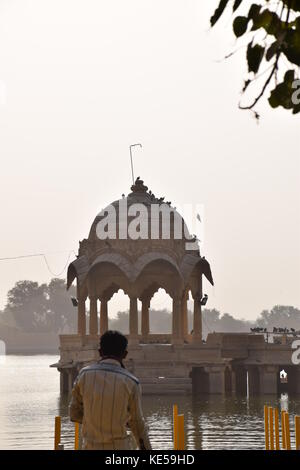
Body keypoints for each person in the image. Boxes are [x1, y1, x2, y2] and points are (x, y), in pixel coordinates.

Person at [69, 330, 151, 450]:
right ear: (125, 354)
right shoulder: (131, 382)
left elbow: (74, 414)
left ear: (100, 352)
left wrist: (94, 420)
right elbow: (137, 424)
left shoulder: (84, 375)